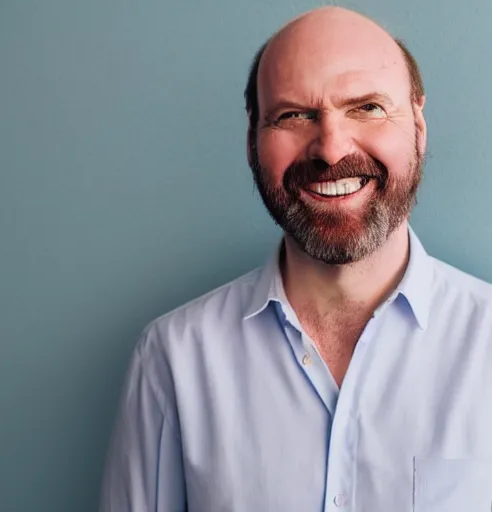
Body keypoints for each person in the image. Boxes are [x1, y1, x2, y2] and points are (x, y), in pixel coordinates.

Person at [100, 6, 492, 512]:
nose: (330, 149)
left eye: (367, 107)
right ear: (251, 141)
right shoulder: (172, 359)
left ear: (418, 126)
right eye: (293, 115)